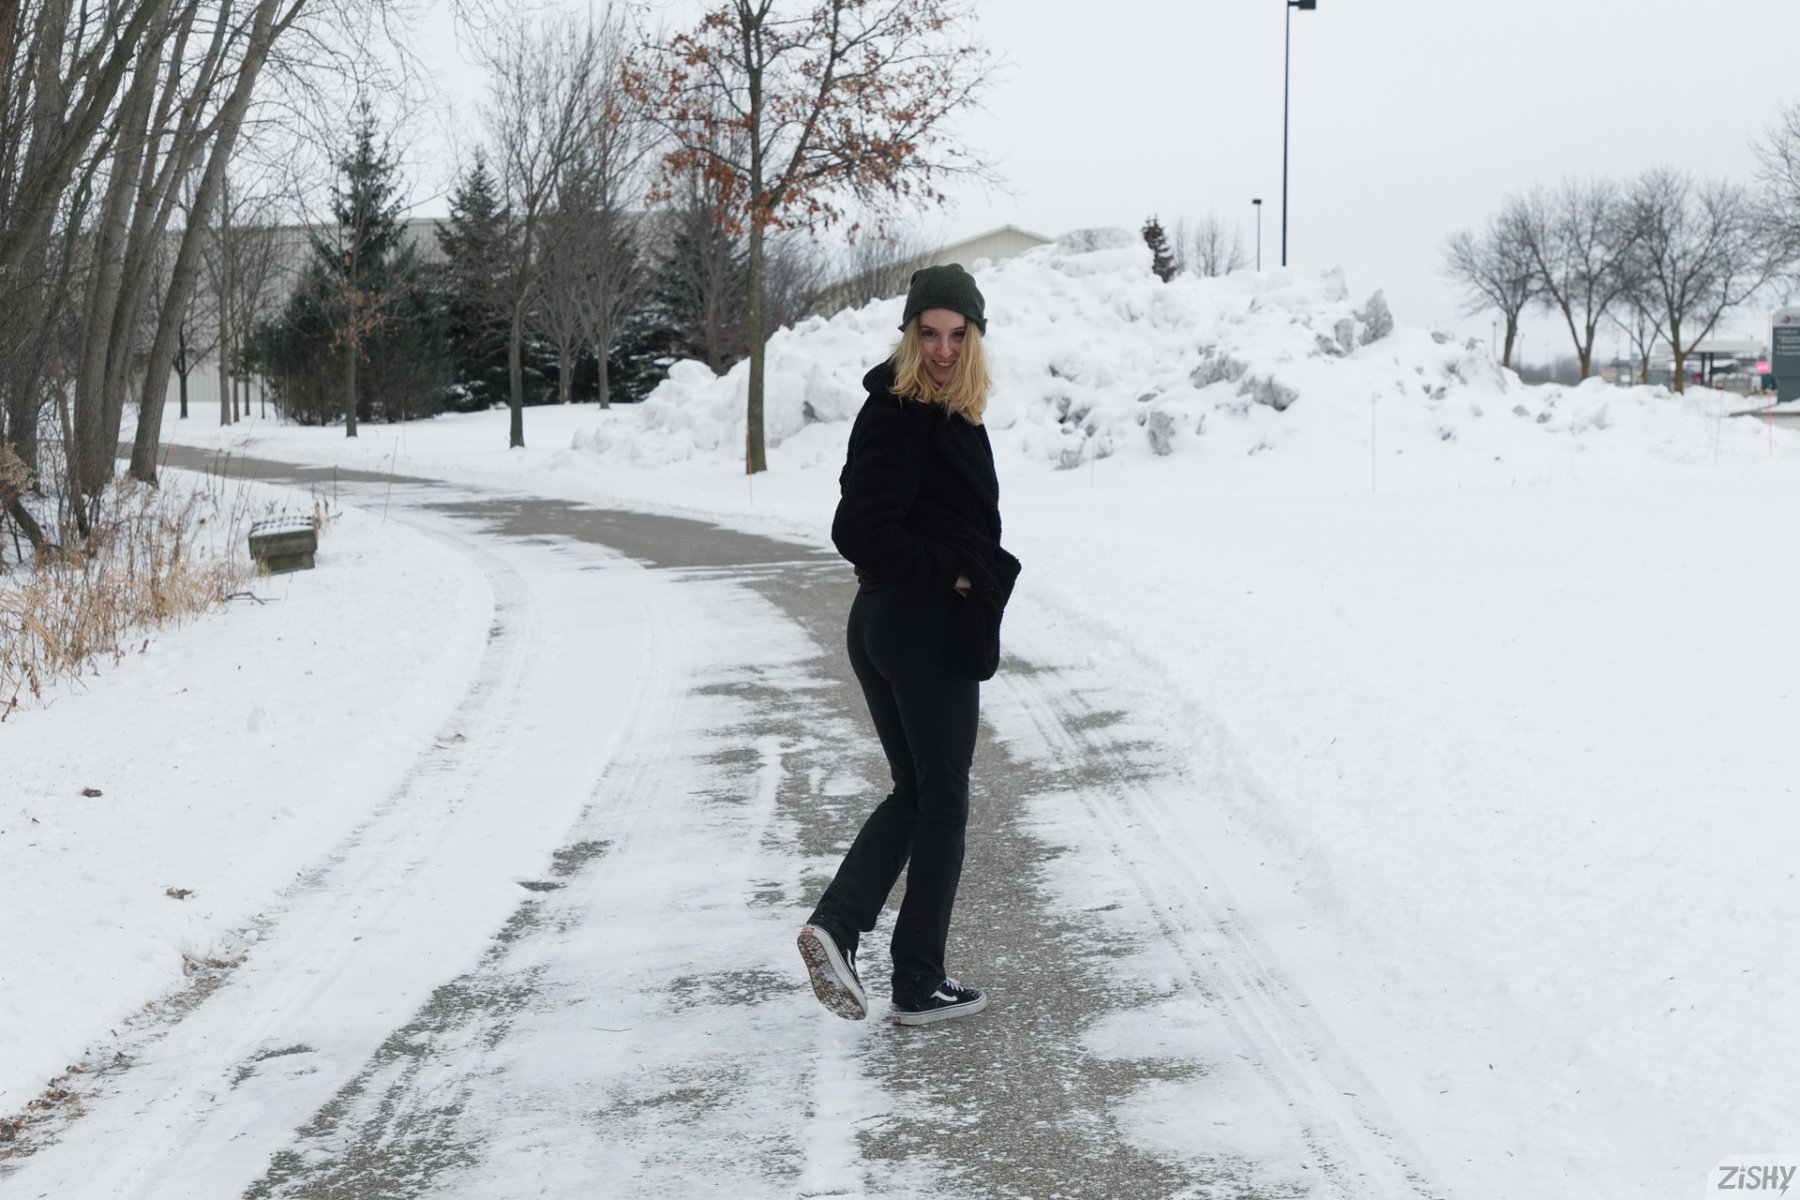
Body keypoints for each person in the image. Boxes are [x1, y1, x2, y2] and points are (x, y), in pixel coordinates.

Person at [796, 264, 1022, 1027]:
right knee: (944, 797)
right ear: (908, 334)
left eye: (958, 334)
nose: (944, 348)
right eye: (928, 333)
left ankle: (840, 927)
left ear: (976, 336)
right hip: (917, 624)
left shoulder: (948, 410)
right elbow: (857, 529)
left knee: (919, 792)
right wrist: (954, 576)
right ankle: (915, 980)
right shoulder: (902, 407)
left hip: (891, 621)